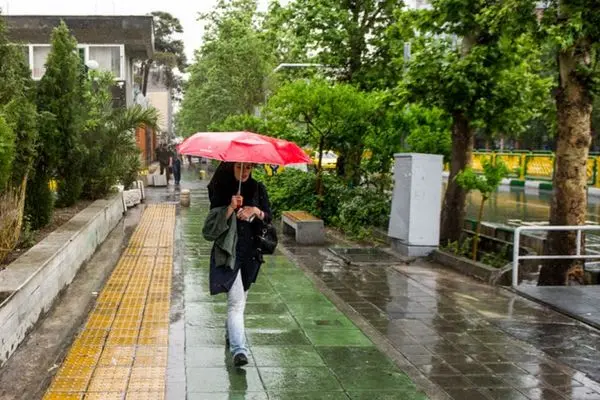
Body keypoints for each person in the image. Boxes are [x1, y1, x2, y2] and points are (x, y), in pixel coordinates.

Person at [202, 162, 272, 367]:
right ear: (231, 168)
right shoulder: (221, 189)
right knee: (236, 303)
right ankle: (239, 350)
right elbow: (210, 229)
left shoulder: (258, 189)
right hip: (229, 254)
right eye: (240, 168)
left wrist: (255, 211)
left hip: (251, 254)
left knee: (240, 301)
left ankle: (230, 334)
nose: (245, 172)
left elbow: (269, 217)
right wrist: (230, 208)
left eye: (249, 168)